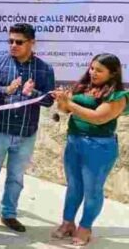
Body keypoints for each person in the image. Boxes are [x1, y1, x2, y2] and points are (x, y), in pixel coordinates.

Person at [0, 23, 55, 233]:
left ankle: (9, 214)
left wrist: (33, 93)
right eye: (10, 41)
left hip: (26, 133)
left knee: (16, 177)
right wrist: (5, 89)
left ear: (32, 43)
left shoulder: (44, 69)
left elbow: (49, 100)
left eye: (19, 42)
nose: (13, 45)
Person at [51, 54, 127, 246]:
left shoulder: (118, 95)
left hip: (99, 146)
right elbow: (64, 110)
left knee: (92, 190)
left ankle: (85, 227)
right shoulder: (83, 87)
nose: (93, 72)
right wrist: (61, 100)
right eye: (92, 68)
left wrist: (70, 103)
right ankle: (68, 222)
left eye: (99, 70)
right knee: (74, 187)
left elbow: (98, 117)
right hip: (74, 141)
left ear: (113, 73)